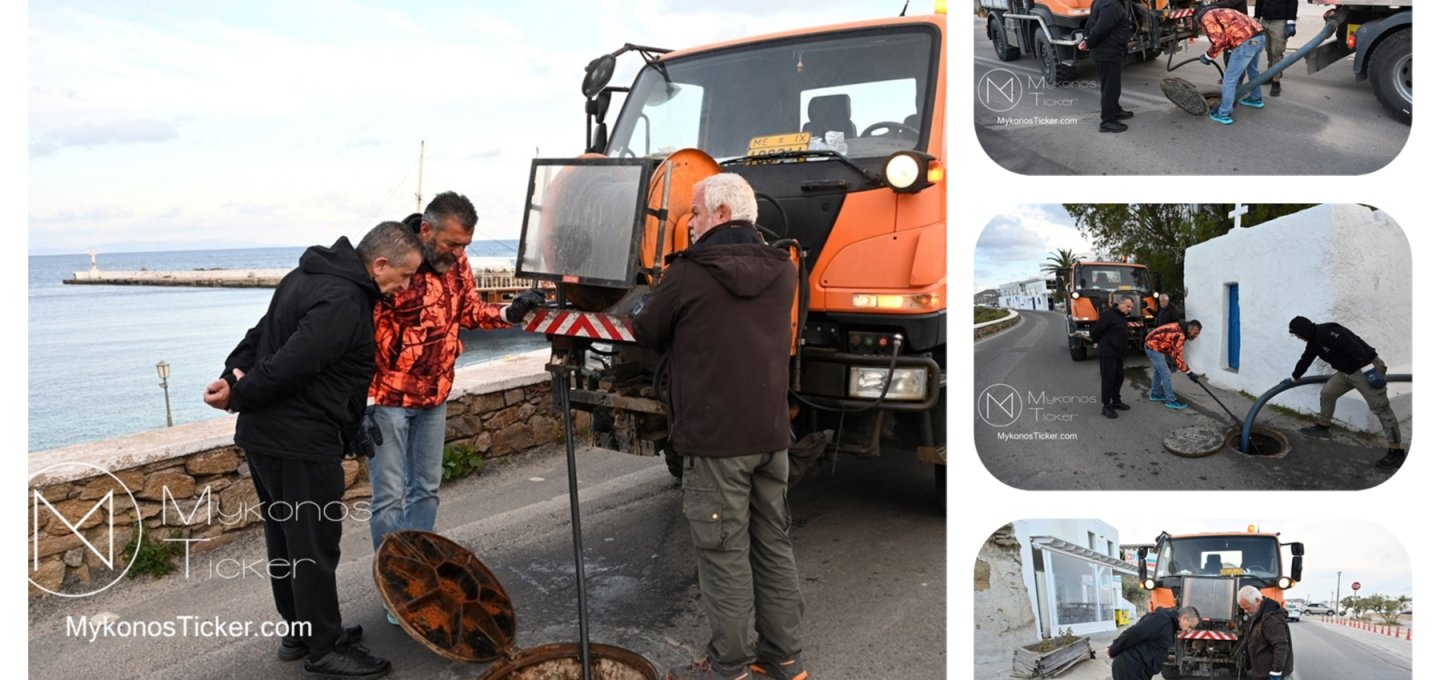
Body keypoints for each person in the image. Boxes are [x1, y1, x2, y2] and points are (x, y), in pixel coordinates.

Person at [203, 222, 422, 680]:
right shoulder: (344, 300)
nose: (403, 287)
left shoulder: (304, 276)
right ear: (379, 264)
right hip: (301, 441)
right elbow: (290, 364)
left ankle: (301, 632)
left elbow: (259, 336)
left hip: (266, 438)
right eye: (402, 276)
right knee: (314, 547)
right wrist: (237, 393)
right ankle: (323, 649)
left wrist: (231, 375)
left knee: (286, 543)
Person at [632, 173, 805, 680]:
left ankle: (728, 667)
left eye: (696, 214)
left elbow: (646, 327)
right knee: (773, 545)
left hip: (715, 440)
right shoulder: (784, 270)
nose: (690, 224)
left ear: (722, 215)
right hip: (772, 436)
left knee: (723, 553)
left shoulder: (688, 274)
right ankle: (785, 659)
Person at [367, 192, 543, 623]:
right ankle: (396, 587)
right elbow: (361, 332)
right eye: (452, 244)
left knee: (425, 490)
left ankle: (421, 577)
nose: (460, 253)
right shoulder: (392, 260)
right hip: (389, 398)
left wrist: (511, 312)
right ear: (426, 231)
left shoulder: (456, 265)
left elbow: (469, 312)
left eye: (465, 245)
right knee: (389, 500)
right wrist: (362, 401)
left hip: (435, 396)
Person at [1287, 316, 1406, 470]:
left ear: (1303, 330)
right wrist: (1293, 378)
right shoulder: (1313, 343)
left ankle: (1396, 451)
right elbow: (1305, 360)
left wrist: (1369, 371)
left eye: (1296, 334)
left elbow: (1354, 347)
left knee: (1381, 407)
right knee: (1328, 393)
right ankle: (1323, 427)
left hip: (1366, 368)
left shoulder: (1328, 332)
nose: (1297, 337)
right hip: (1346, 372)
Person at [1197, 4, 1267, 125]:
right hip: (1259, 37)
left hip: (1246, 42)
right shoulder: (1224, 11)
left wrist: (1208, 56)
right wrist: (1231, 49)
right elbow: (1231, 30)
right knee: (1253, 70)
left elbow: (1219, 41)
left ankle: (1223, 113)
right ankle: (1255, 99)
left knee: (1229, 79)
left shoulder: (1206, 17)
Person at [1079, 0, 1133, 133]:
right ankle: (1107, 121)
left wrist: (1087, 40)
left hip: (1107, 51)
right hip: (1107, 53)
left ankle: (1115, 110)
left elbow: (1090, 23)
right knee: (1110, 88)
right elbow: (1101, 28)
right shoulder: (1112, 4)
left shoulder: (1100, 1)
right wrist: (1088, 43)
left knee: (1112, 85)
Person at [1106, 606, 1201, 680]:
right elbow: (1133, 633)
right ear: (1184, 618)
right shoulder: (1162, 620)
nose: (1188, 631)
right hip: (1129, 667)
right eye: (1189, 627)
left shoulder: (1170, 626)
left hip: (1138, 670)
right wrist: (1113, 649)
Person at [1145, 320, 1203, 410]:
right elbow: (1177, 356)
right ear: (1190, 329)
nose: (1196, 336)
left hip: (1156, 346)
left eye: (1198, 334)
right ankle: (1171, 401)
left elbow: (1174, 350)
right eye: (1195, 333)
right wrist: (1189, 372)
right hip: (1153, 347)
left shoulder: (1181, 328)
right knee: (1166, 373)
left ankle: (1155, 394)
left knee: (1159, 371)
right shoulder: (1179, 334)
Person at [1237, 586, 1294, 679]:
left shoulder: (1271, 619)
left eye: (1247, 607)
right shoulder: (1256, 614)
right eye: (1243, 608)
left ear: (1257, 600)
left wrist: (1276, 672)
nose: (1245, 611)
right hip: (1261, 672)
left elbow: (1281, 645)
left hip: (1270, 674)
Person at [1091, 297, 1134, 419]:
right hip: (1108, 352)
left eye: (1131, 307)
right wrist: (1096, 341)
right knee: (1108, 379)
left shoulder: (1121, 315)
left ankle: (1116, 401)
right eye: (1128, 306)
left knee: (1119, 377)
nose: (1129, 309)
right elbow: (1096, 330)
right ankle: (1106, 406)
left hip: (1119, 353)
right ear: (1119, 304)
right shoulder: (1108, 314)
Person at [1254, 0, 1298, 96]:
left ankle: (1276, 80)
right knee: (1269, 50)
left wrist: (1291, 22)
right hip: (1265, 21)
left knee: (1277, 52)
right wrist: (1256, 17)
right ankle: (1271, 74)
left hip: (1279, 22)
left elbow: (1293, 2)